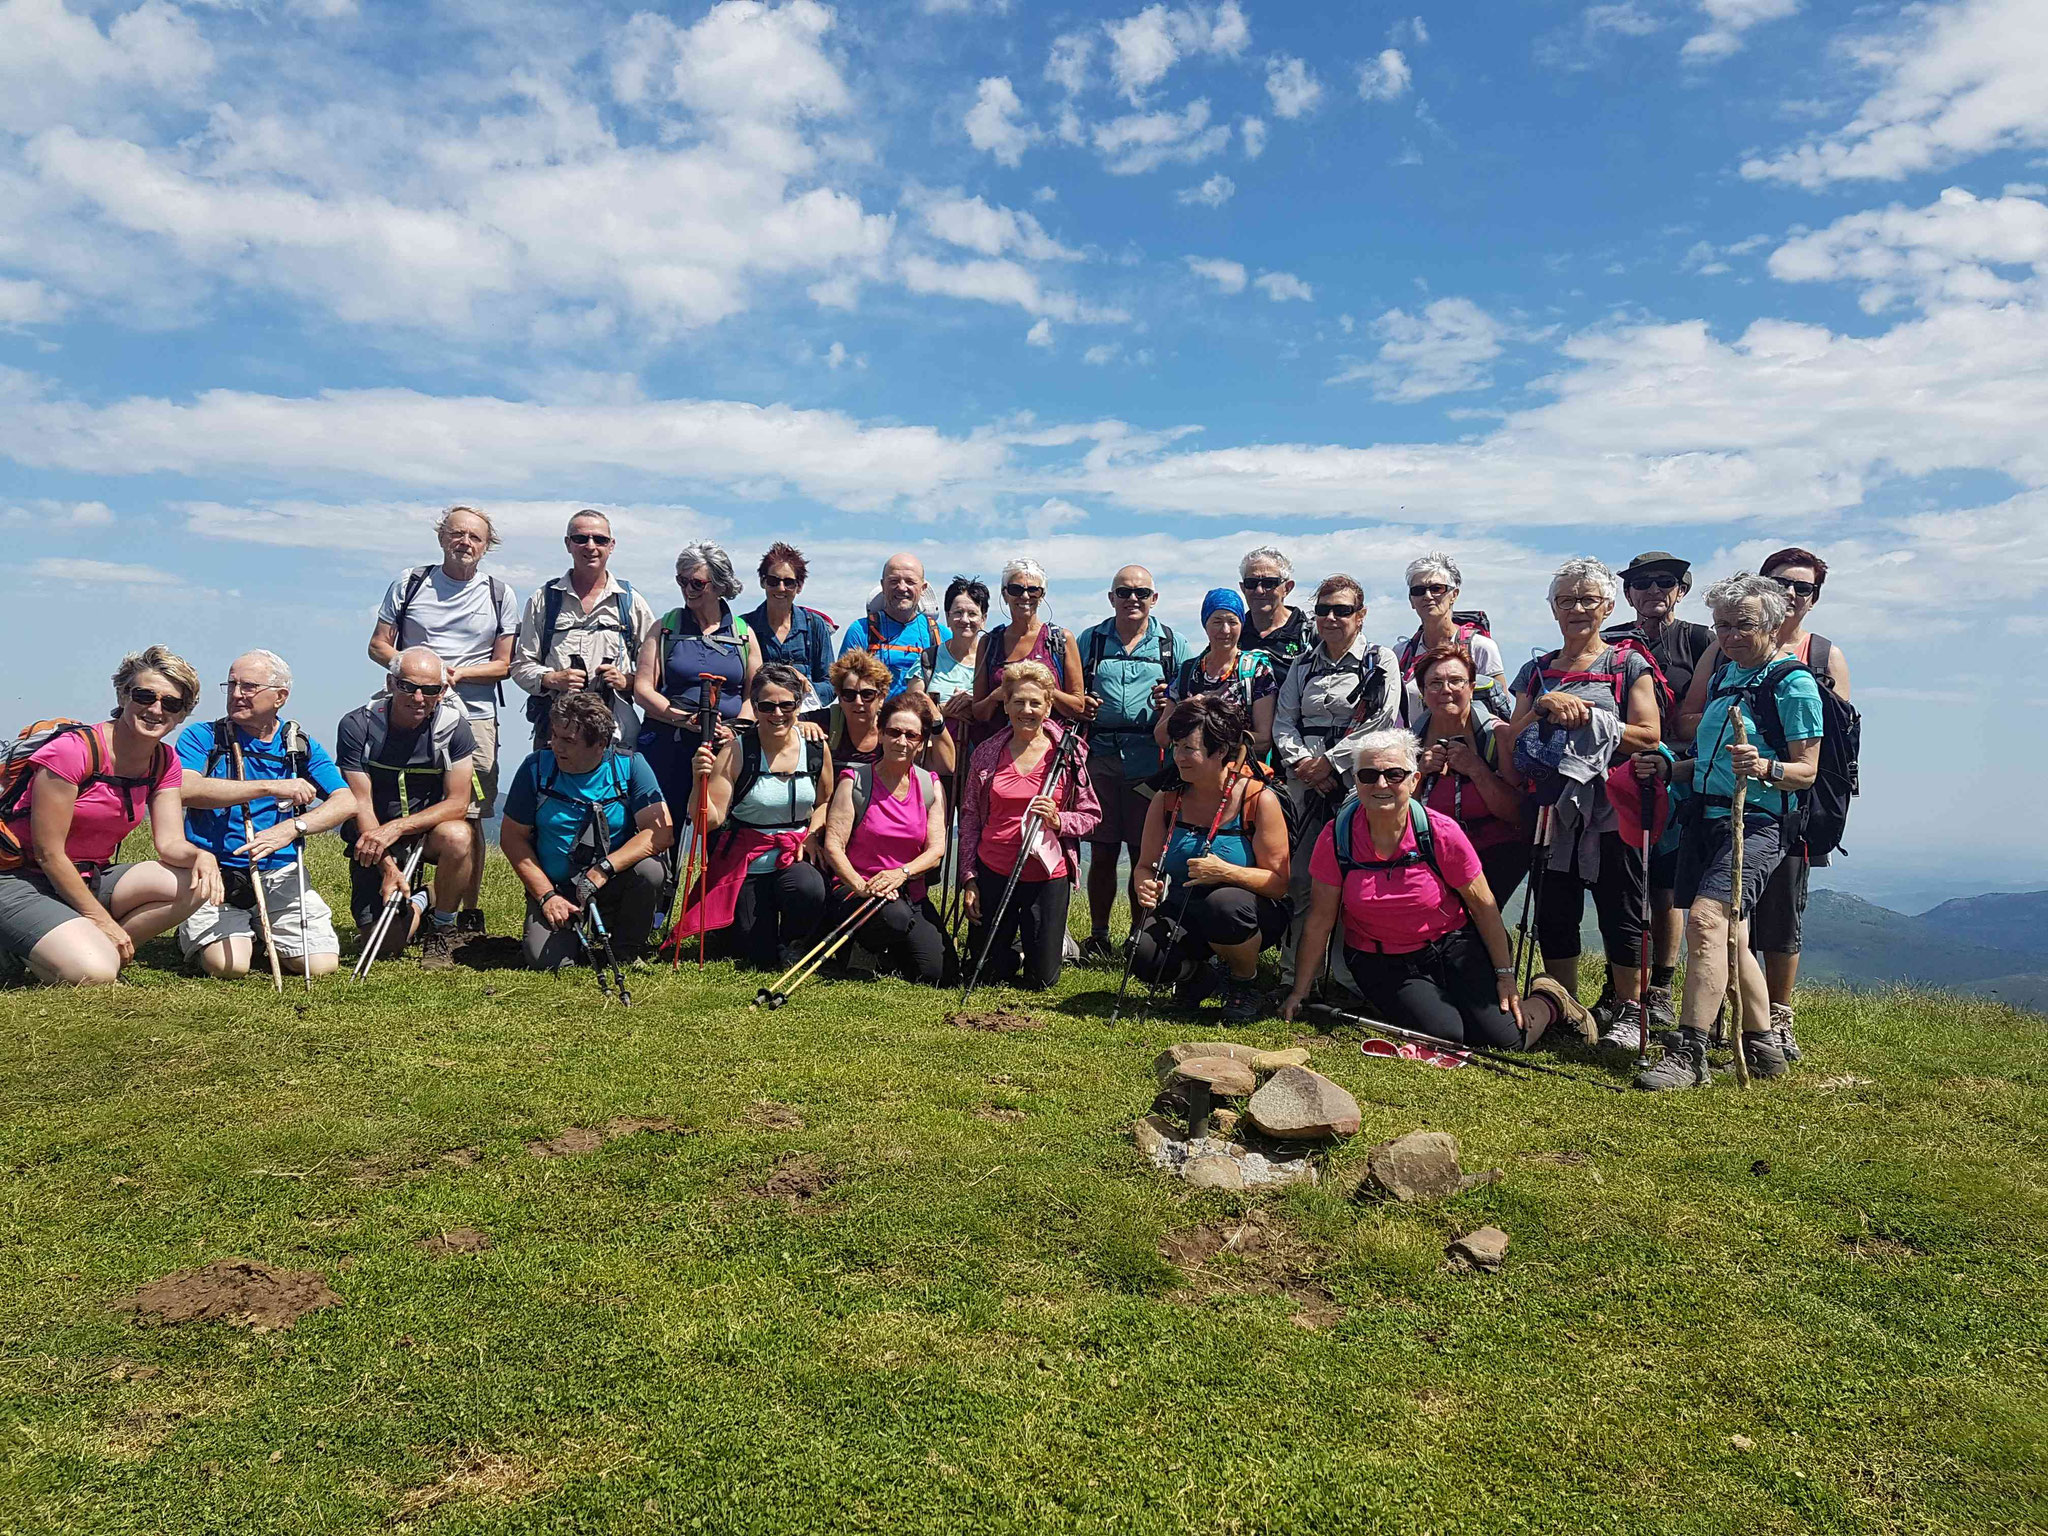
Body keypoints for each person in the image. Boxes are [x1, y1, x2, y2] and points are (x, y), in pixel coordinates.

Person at [1631, 573, 1823, 1090]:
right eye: (1723, 625)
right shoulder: (1725, 677)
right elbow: (1711, 762)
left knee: (1708, 922)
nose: (1731, 635)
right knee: (1731, 935)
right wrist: (1672, 769)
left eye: (1744, 625)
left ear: (1774, 623)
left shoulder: (1795, 684)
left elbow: (1807, 771)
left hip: (1759, 824)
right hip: (1711, 818)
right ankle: (1763, 1045)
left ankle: (1688, 1051)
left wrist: (1765, 768)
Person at [1280, 729, 1525, 1048]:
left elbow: (1484, 906)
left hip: (1451, 945)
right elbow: (1320, 920)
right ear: (1356, 781)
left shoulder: (1441, 832)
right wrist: (1300, 991)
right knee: (1445, 1035)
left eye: (1394, 774)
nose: (1381, 784)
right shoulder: (1337, 836)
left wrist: (1505, 975)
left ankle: (1550, 1002)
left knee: (1505, 1038)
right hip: (1380, 959)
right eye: (1368, 775)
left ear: (1414, 780)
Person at [1505, 558, 1661, 1052]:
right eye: (1566, 600)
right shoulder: (1536, 672)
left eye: (1587, 600)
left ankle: (1627, 1008)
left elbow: (1651, 735)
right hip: (1549, 805)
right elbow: (1511, 738)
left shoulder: (1627, 664)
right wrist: (1544, 707)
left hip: (1611, 808)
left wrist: (1592, 719)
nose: (1576, 609)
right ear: (1553, 609)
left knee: (1621, 906)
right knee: (1556, 905)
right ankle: (1562, 1001)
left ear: (1608, 606)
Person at [0, 647, 222, 986]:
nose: (155, 709)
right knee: (97, 972)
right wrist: (101, 920)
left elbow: (170, 844)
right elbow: (49, 853)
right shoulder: (73, 751)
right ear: (123, 694)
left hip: (87, 877)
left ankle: (85, 947)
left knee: (194, 883)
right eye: (144, 695)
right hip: (17, 878)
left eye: (171, 703)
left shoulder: (164, 761)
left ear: (182, 714)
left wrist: (201, 856)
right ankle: (50, 949)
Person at [367, 505, 518, 932]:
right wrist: (418, 671)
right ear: (441, 537)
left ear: (487, 546)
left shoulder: (500, 594)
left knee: (470, 813)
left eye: (475, 537)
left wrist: (459, 673)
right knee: (401, 800)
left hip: (474, 714)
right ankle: (402, 890)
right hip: (409, 706)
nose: (465, 542)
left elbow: (505, 663)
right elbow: (379, 645)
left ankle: (464, 912)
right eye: (457, 534)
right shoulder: (410, 582)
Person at [175, 650, 356, 978]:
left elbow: (345, 802)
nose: (236, 694)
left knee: (321, 965)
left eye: (248, 686)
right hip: (213, 871)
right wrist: (270, 788)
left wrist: (293, 828)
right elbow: (186, 789)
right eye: (231, 685)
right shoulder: (203, 737)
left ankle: (252, 933)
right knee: (227, 966)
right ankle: (214, 932)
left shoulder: (297, 745)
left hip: (280, 873)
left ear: (280, 697)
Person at [1272, 574, 1401, 983]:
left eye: (1342, 610)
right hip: (1304, 784)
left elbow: (1380, 721)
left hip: (1357, 784)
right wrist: (1306, 766)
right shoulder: (1301, 664)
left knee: (1353, 876)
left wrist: (1329, 762)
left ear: (1360, 616)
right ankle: (1294, 973)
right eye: (1323, 610)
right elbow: (1283, 722)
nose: (1331, 618)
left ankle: (1346, 976)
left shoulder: (1380, 662)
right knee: (1300, 877)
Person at [1129, 695, 1290, 1022]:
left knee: (1224, 906)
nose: (1179, 756)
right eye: (1177, 746)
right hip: (1184, 907)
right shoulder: (1167, 797)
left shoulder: (1257, 799)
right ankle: (1197, 977)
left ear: (1219, 752)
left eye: (1190, 749)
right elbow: (1145, 865)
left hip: (1247, 913)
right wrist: (1145, 885)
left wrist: (1226, 872)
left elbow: (1278, 883)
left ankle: (1244, 981)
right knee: (1141, 953)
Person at [500, 690, 673, 972]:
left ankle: (626, 949)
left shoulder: (629, 767)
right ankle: (571, 934)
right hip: (557, 889)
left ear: (600, 744)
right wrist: (546, 896)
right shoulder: (536, 769)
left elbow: (659, 833)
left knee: (650, 870)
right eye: (554, 736)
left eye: (568, 741)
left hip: (612, 882)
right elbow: (512, 837)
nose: (556, 746)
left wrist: (603, 869)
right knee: (550, 963)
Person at [957, 661, 1101, 990]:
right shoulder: (986, 753)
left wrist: (1058, 819)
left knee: (1043, 981)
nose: (1027, 710)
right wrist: (969, 879)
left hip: (1046, 876)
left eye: (1036, 702)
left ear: (1049, 706)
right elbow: (969, 818)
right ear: (1005, 705)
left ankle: (1050, 943)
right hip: (994, 869)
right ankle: (1016, 950)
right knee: (984, 974)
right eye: (1018, 701)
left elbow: (1091, 815)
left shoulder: (1069, 753)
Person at [679, 665, 834, 971]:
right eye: (767, 706)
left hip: (795, 851)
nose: (777, 713)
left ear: (798, 705)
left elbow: (826, 800)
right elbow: (707, 822)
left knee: (808, 888)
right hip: (747, 861)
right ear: (755, 707)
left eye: (786, 705)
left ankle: (794, 940)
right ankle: (744, 932)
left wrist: (814, 833)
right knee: (755, 954)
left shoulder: (816, 748)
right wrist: (699, 781)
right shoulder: (737, 752)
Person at [1619, 550, 1715, 1032]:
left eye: (1665, 582)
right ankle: (1626, 984)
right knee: (1625, 882)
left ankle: (1661, 983)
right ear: (1629, 593)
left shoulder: (1701, 640)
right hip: (1624, 774)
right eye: (1642, 583)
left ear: (1682, 588)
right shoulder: (1613, 642)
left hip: (1681, 775)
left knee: (1665, 885)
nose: (1653, 590)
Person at [335, 647, 478, 969]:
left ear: (442, 692)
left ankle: (442, 926)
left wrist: (398, 827)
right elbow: (360, 803)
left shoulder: (453, 727)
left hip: (424, 833)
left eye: (430, 690)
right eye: (407, 686)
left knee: (458, 834)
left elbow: (458, 802)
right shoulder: (358, 725)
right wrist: (387, 868)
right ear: (390, 683)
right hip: (370, 831)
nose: (418, 698)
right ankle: (426, 896)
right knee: (384, 945)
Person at [1077, 565, 1189, 962]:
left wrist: (1171, 704)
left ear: (1154, 599)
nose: (1133, 599)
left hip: (1152, 761)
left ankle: (1137, 936)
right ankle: (1099, 935)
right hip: (1101, 758)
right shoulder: (1089, 641)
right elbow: (1072, 693)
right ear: (1111, 598)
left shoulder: (1173, 644)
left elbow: (1192, 701)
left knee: (1146, 853)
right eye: (1124, 592)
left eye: (1141, 592)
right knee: (1104, 851)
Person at [820, 694, 951, 985]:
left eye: (911, 735)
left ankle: (887, 951)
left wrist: (901, 873)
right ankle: (862, 948)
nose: (901, 741)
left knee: (938, 974)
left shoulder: (930, 785)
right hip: (858, 889)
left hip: (907, 889)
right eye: (893, 732)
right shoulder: (854, 781)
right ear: (880, 733)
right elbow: (833, 846)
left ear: (921, 742)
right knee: (895, 918)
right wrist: (861, 886)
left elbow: (937, 849)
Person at [634, 542, 763, 823]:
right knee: (664, 828)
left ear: (719, 585)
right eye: (682, 581)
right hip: (668, 745)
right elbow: (643, 689)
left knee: (720, 826)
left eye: (697, 583)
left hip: (725, 747)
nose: (687, 589)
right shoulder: (665, 627)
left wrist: (736, 730)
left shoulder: (743, 634)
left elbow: (755, 694)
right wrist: (683, 718)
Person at [511, 509, 658, 750]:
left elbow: (653, 669)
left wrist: (626, 680)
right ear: (568, 544)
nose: (590, 546)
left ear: (611, 546)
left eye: (599, 539)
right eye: (581, 538)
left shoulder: (630, 601)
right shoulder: (544, 600)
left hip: (615, 734)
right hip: (555, 733)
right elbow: (521, 665)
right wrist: (551, 678)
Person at [1411, 645, 1527, 904]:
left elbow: (1516, 813)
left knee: (1473, 927)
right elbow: (1400, 812)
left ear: (1472, 687)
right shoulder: (1411, 743)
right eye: (1435, 683)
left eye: (1456, 681)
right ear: (1422, 691)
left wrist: (1476, 769)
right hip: (1432, 851)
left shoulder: (1499, 736)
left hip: (1495, 853)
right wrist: (1418, 773)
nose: (1446, 690)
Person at [967, 557, 1087, 743]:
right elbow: (979, 712)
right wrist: (997, 696)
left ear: (1042, 595)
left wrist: (1040, 688)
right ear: (1004, 594)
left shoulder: (1061, 640)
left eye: (1033, 590)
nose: (1024, 596)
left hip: (1049, 753)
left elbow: (1078, 706)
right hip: (999, 753)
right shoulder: (989, 642)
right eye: (1016, 589)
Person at [1156, 587, 1278, 757]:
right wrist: (1187, 707)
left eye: (1232, 622)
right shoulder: (1188, 671)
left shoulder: (1256, 670)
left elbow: (1264, 741)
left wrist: (1209, 738)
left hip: (1239, 777)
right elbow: (1162, 738)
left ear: (1242, 625)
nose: (1226, 630)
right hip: (1193, 778)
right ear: (1205, 624)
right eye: (1217, 621)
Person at [1396, 553, 1509, 722]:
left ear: (1454, 595)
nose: (1427, 596)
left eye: (1437, 588)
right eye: (1418, 591)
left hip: (1466, 746)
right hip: (1413, 745)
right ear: (1411, 601)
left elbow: (1501, 710)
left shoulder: (1480, 647)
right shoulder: (1401, 653)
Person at [744, 542, 837, 720]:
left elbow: (831, 686)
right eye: (773, 581)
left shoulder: (815, 626)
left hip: (805, 722)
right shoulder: (744, 627)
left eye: (788, 582)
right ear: (763, 582)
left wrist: (804, 686)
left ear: (799, 586)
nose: (781, 588)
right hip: (761, 721)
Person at [837, 553, 950, 697]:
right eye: (894, 581)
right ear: (883, 585)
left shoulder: (941, 636)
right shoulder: (861, 631)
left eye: (910, 582)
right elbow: (843, 689)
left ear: (923, 588)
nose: (902, 588)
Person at [830, 650, 955, 774]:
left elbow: (944, 766)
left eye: (867, 694)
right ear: (840, 697)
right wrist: (809, 727)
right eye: (849, 694)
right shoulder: (824, 725)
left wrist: (937, 720)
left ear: (882, 698)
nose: (858, 702)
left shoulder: (895, 731)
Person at [1238, 546, 1312, 684]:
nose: (1259, 591)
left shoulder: (1308, 635)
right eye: (1251, 583)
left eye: (1269, 583)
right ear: (1243, 588)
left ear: (1287, 588)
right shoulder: (1233, 633)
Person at [929, 577, 989, 707]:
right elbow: (912, 707)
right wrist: (943, 711)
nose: (965, 620)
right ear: (947, 617)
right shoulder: (928, 659)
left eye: (972, 614)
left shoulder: (993, 660)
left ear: (983, 619)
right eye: (958, 612)